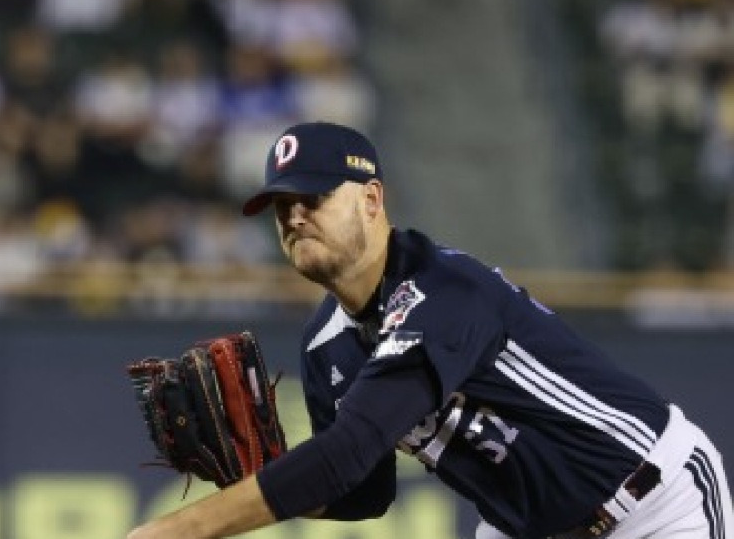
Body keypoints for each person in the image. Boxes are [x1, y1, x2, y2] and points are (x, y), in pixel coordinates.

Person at [127, 121, 734, 539]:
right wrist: (259, 479)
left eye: (313, 197)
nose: (295, 216)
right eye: (282, 206)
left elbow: (347, 451)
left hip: (652, 504)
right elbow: (364, 492)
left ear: (372, 200)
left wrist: (179, 529)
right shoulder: (324, 345)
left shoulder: (446, 291)